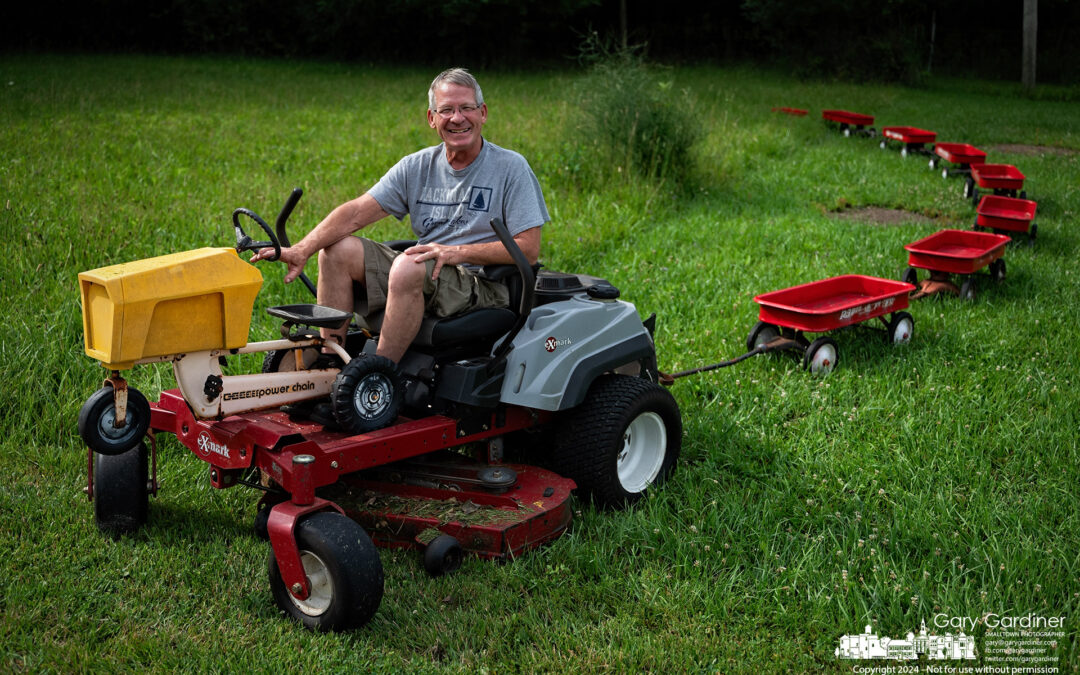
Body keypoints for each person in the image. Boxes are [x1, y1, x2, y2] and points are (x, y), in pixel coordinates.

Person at [253, 67, 549, 364]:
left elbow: (529, 249)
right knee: (336, 251)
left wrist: (456, 252)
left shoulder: (511, 168)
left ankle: (378, 375)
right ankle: (330, 357)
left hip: (480, 284)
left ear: (482, 113)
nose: (457, 118)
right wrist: (303, 248)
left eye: (466, 108)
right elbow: (356, 212)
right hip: (428, 272)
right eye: (446, 110)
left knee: (409, 265)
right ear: (432, 119)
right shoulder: (417, 166)